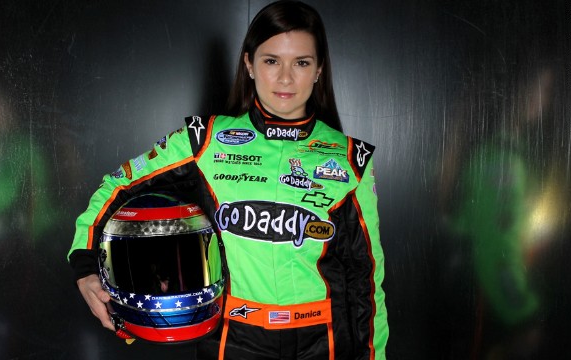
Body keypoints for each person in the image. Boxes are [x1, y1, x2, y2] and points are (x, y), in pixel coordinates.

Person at [68, 1, 388, 359]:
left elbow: (366, 276)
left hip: (323, 340)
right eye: (271, 61)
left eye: (301, 62)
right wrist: (84, 266)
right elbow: (116, 186)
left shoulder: (351, 158)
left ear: (318, 70)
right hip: (232, 339)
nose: (285, 78)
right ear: (249, 64)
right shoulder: (202, 141)